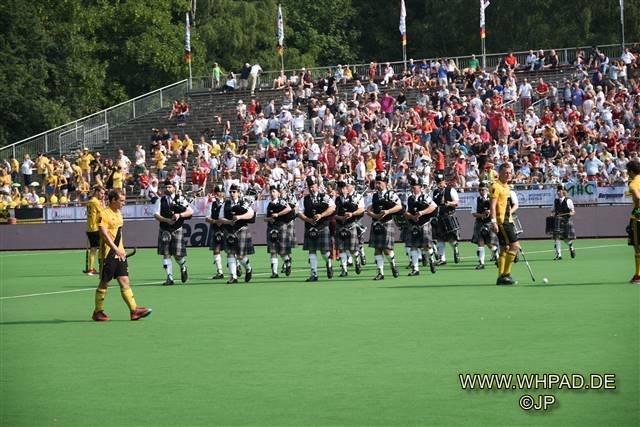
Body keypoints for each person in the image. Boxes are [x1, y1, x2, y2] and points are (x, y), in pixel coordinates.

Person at [91, 190, 152, 321]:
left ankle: (134, 311)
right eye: (122, 200)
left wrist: (121, 249)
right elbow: (104, 234)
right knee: (104, 282)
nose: (124, 203)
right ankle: (98, 312)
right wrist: (115, 249)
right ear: (113, 200)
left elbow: (118, 234)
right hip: (108, 254)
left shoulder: (119, 213)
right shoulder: (104, 214)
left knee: (124, 280)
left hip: (119, 253)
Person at [153, 180, 193, 286]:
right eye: (166, 187)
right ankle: (169, 277)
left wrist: (180, 215)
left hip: (177, 229)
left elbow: (190, 212)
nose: (167, 189)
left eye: (169, 187)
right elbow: (156, 215)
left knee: (177, 255)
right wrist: (166, 220)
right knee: (166, 254)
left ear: (174, 188)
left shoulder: (181, 199)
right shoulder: (160, 200)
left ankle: (183, 267)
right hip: (165, 230)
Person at [298, 176, 335, 282]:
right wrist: (308, 220)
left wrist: (321, 215)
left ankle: (328, 262)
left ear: (317, 186)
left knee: (324, 252)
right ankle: (314, 274)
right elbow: (299, 212)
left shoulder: (324, 197)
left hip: (322, 226)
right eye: (309, 187)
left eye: (313, 186)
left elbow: (332, 208)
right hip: (310, 227)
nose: (311, 188)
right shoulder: (304, 199)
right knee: (312, 251)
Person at [367, 173, 402, 280]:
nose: (377, 185)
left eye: (379, 183)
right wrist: (375, 216)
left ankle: (393, 264)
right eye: (376, 183)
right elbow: (368, 210)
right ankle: (380, 273)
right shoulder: (374, 196)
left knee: (387, 249)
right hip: (376, 223)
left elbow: (399, 206)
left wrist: (388, 211)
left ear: (385, 183)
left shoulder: (391, 194)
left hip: (387, 223)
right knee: (377, 249)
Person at [490, 164, 520, 285]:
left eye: (510, 173)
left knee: (504, 248)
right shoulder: (496, 186)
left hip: (508, 220)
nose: (508, 175)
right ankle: (506, 274)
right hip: (502, 221)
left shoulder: (506, 187)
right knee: (515, 246)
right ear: (500, 174)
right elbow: (492, 206)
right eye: (505, 173)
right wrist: (493, 221)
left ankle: (500, 276)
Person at [219, 184, 256, 284]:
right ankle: (233, 277)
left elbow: (251, 214)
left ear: (239, 193)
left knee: (240, 256)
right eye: (230, 192)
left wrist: (239, 217)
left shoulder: (244, 202)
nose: (232, 193)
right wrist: (229, 222)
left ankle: (248, 268)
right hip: (229, 231)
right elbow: (220, 218)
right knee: (230, 253)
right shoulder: (226, 203)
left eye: (234, 192)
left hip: (241, 229)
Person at [404, 176, 438, 276]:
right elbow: (405, 212)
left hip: (424, 224)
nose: (413, 188)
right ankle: (415, 269)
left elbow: (433, 207)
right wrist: (411, 217)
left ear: (420, 187)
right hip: (413, 225)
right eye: (412, 186)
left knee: (427, 247)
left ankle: (431, 260)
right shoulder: (409, 198)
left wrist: (422, 213)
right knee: (413, 247)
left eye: (415, 186)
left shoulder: (426, 197)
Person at [334, 180, 365, 277]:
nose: (340, 190)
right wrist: (340, 217)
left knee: (352, 249)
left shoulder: (356, 197)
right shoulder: (337, 199)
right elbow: (334, 213)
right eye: (339, 188)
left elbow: (361, 209)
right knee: (341, 249)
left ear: (346, 189)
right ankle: (344, 270)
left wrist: (352, 214)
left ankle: (357, 261)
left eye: (342, 188)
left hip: (351, 224)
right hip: (340, 225)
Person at [265, 183, 294, 278]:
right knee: (273, 251)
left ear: (278, 193)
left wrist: (278, 214)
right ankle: (274, 272)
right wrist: (269, 219)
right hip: (271, 228)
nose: (272, 193)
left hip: (281, 227)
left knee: (281, 250)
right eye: (271, 192)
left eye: (274, 191)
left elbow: (288, 208)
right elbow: (266, 218)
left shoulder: (281, 201)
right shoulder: (269, 204)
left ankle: (287, 262)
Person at [432, 174, 460, 265]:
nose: (439, 184)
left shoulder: (450, 190)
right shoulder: (435, 192)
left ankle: (455, 249)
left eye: (441, 182)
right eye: (438, 182)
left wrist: (450, 203)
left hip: (449, 216)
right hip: (439, 217)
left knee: (451, 237)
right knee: (440, 238)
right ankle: (442, 259)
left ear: (444, 181)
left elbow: (457, 202)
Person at [471, 182, 499, 269]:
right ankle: (481, 263)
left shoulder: (492, 198)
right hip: (479, 223)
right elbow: (473, 213)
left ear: (487, 190)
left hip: (490, 223)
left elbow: (497, 209)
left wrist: (490, 211)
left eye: (482, 190)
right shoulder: (476, 200)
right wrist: (482, 215)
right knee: (480, 243)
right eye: (479, 190)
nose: (481, 191)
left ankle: (497, 257)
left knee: (490, 243)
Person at [206, 184, 226, 279]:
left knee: (230, 250)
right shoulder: (211, 204)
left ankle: (237, 266)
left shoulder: (228, 203)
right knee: (216, 250)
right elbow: (207, 218)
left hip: (227, 228)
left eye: (221, 191)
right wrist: (215, 221)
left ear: (224, 193)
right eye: (217, 191)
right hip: (215, 228)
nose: (219, 193)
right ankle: (220, 271)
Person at [551, 185, 576, 260]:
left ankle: (571, 246)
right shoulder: (555, 201)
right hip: (557, 222)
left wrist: (571, 213)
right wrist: (552, 214)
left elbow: (573, 211)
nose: (558, 192)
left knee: (565, 239)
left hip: (565, 222)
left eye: (560, 191)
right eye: (558, 191)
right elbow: (552, 210)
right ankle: (559, 255)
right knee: (557, 238)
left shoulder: (568, 200)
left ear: (563, 192)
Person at [84, 186, 105, 275]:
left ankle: (90, 268)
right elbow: (104, 212)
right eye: (101, 193)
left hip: (90, 228)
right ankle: (100, 267)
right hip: (96, 228)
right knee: (100, 248)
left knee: (94, 249)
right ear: (96, 192)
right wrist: (103, 202)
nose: (103, 195)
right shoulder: (96, 202)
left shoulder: (90, 201)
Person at [626, 160, 640, 284]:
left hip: (637, 218)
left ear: (631, 171)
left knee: (637, 247)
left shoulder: (633, 183)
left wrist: (637, 210)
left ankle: (638, 275)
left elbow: (638, 197)